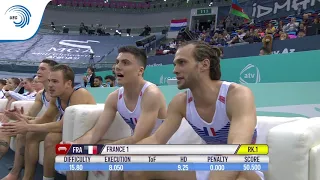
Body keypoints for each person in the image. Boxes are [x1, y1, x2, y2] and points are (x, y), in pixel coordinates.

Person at [129, 41, 263, 180]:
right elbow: (156, 139)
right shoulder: (180, 102)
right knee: (136, 170)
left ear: (204, 65)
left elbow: (236, 151)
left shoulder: (237, 95)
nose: (175, 70)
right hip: (209, 163)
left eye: (182, 63)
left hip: (245, 166)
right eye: (175, 64)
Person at [64, 46, 166, 180]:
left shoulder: (151, 94)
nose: (118, 67)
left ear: (140, 71)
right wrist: (76, 146)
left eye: (125, 63)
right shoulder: (114, 97)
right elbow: (96, 132)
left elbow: (139, 138)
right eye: (117, 62)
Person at [0, 64, 96, 180]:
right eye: (50, 81)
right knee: (32, 135)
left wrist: (27, 127)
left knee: (51, 138)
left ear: (68, 84)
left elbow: (62, 125)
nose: (50, 85)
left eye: (55, 81)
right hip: (69, 131)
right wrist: (22, 119)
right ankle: (27, 177)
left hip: (85, 134)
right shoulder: (57, 97)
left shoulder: (79, 94)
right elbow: (45, 119)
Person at [0, 59, 58, 180]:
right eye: (38, 68)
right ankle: (14, 174)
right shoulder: (41, 94)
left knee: (26, 132)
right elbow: (31, 115)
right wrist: (18, 117)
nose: (38, 71)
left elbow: (47, 119)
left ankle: (24, 176)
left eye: (42, 69)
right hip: (48, 124)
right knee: (6, 129)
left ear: (52, 72)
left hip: (56, 127)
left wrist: (24, 123)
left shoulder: (57, 93)